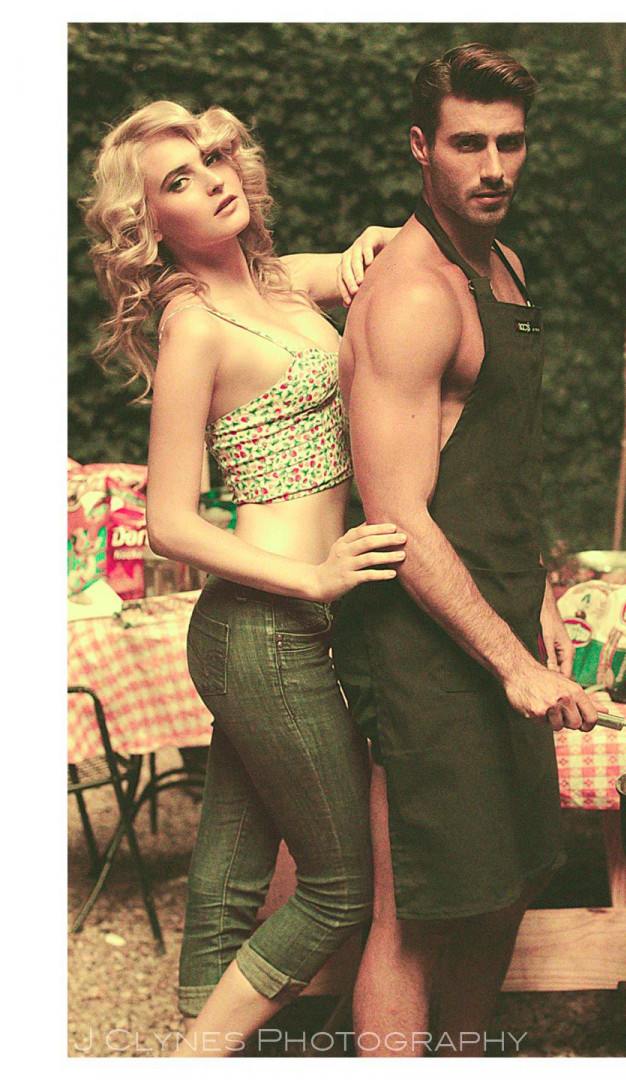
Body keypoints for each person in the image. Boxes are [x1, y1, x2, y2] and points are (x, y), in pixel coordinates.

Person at [83, 100, 406, 1057]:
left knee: (230, 870)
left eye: (213, 158)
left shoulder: (277, 281)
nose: (213, 181)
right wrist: (316, 578)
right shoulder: (194, 325)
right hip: (262, 627)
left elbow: (370, 263)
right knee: (341, 887)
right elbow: (169, 523)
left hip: (277, 634)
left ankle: (206, 1027)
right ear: (151, 224)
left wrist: (374, 243)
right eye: (178, 180)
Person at [331, 43, 600, 1057]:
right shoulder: (412, 295)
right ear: (421, 146)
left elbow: (495, 461)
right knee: (417, 915)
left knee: (509, 881)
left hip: (500, 618)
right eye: (467, 143)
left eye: (510, 143)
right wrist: (512, 664)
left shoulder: (504, 265)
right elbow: (396, 516)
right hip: (422, 643)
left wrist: (540, 599)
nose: (493, 168)